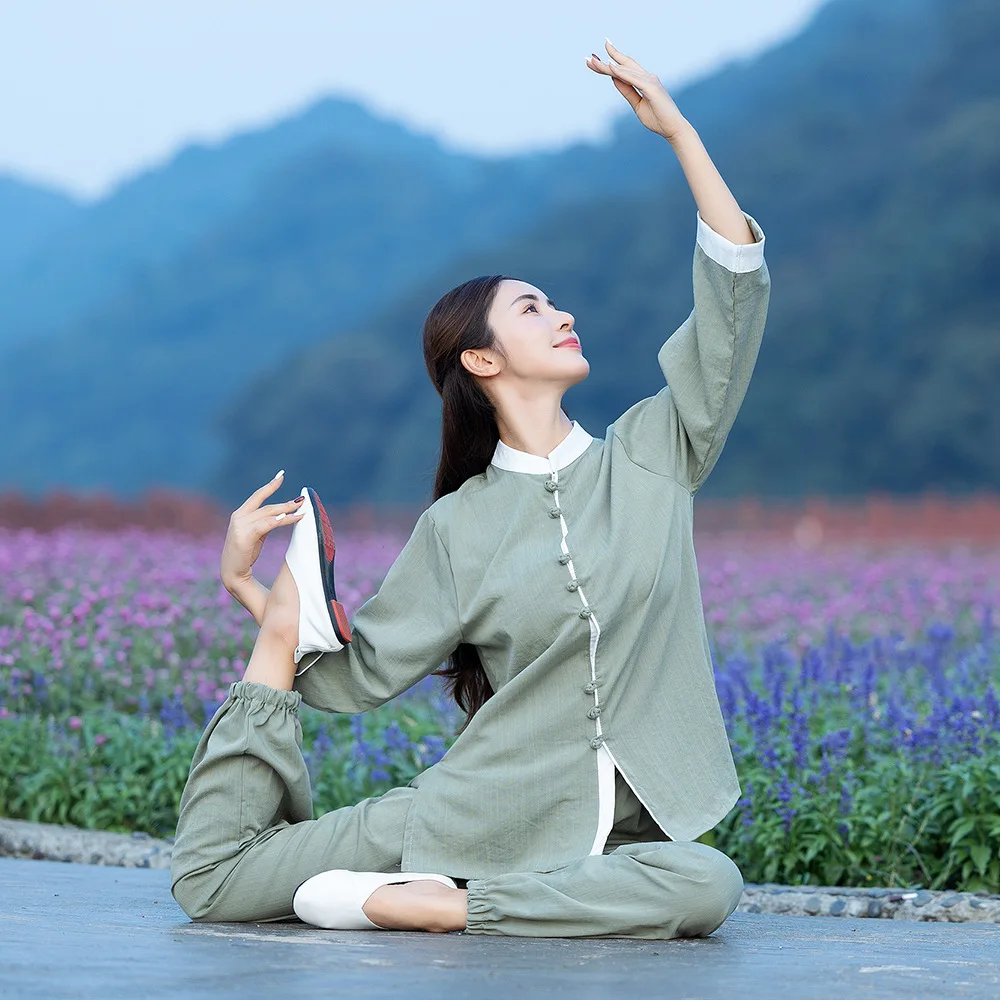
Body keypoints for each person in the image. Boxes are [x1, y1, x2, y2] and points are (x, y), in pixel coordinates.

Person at [170, 39, 770, 939]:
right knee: (215, 884)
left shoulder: (653, 454)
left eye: (555, 303)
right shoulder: (457, 528)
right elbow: (353, 678)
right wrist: (265, 609)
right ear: (481, 359)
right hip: (466, 816)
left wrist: (679, 133)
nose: (563, 313)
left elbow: (730, 310)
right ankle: (446, 895)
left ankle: (444, 909)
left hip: (617, 844)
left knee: (706, 884)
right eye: (533, 308)